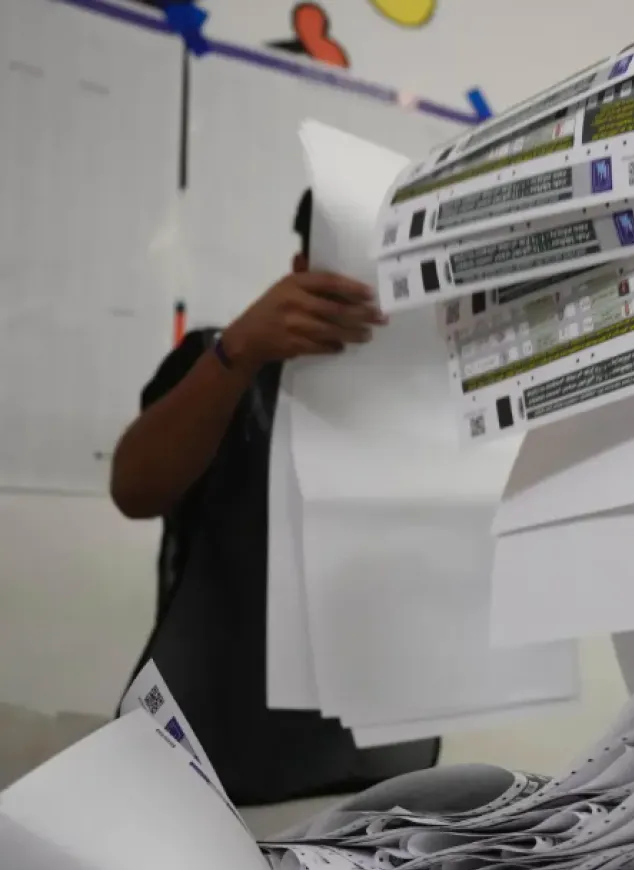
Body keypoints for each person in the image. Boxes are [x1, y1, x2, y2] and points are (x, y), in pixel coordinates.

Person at [110, 191, 440, 805]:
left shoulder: (430, 402)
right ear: (301, 271)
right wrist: (239, 351)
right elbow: (134, 489)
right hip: (202, 767)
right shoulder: (224, 363)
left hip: (378, 779)